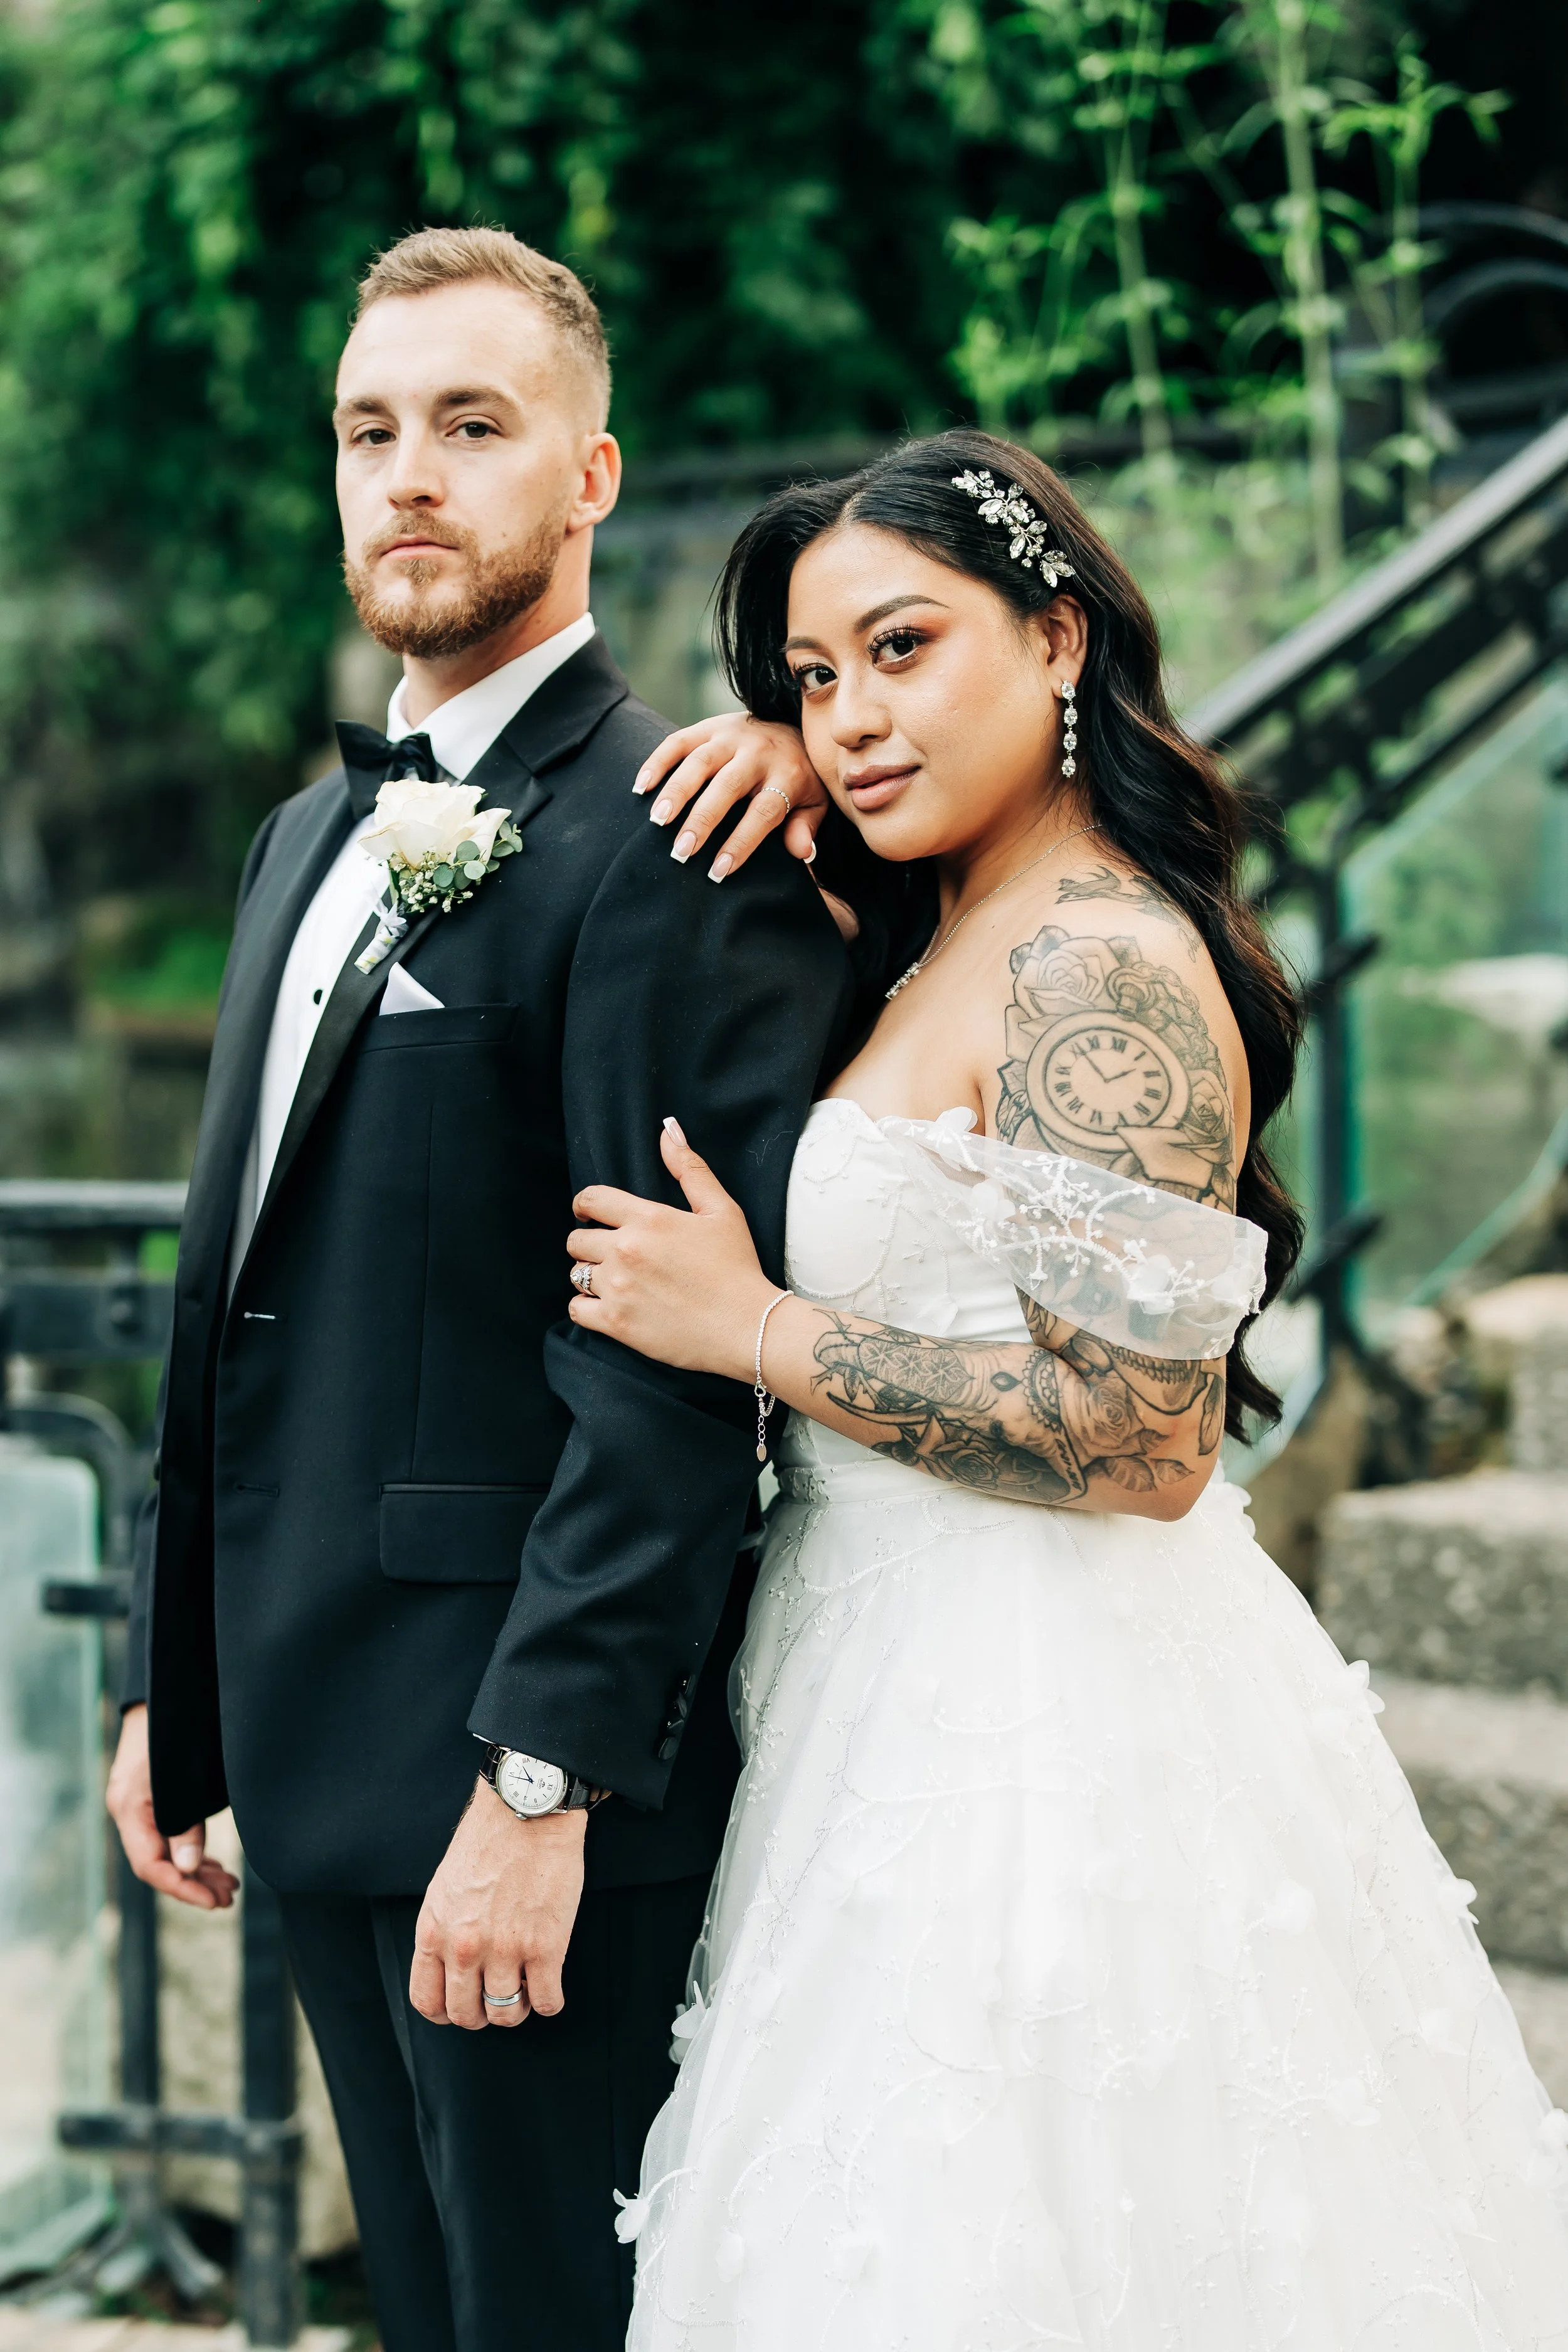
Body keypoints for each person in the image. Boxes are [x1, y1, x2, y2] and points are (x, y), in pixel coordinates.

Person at [571, 430, 1568, 2347]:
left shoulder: (1096, 961)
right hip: (881, 1683)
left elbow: (1139, 1435)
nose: (852, 716)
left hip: (1044, 1716)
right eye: (811, 678)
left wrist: (754, 1327)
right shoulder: (945, 922)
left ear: (1054, 638)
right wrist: (798, 770)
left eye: (901, 648)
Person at [105, 225, 852, 2352]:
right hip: (306, 1742)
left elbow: (672, 1369)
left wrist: (540, 1786)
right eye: (369, 432)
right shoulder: (297, 842)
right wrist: (173, 1678)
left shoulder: (678, 836)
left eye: (470, 424)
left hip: (516, 1786)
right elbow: (232, 1293)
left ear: (590, 475)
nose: (409, 475)